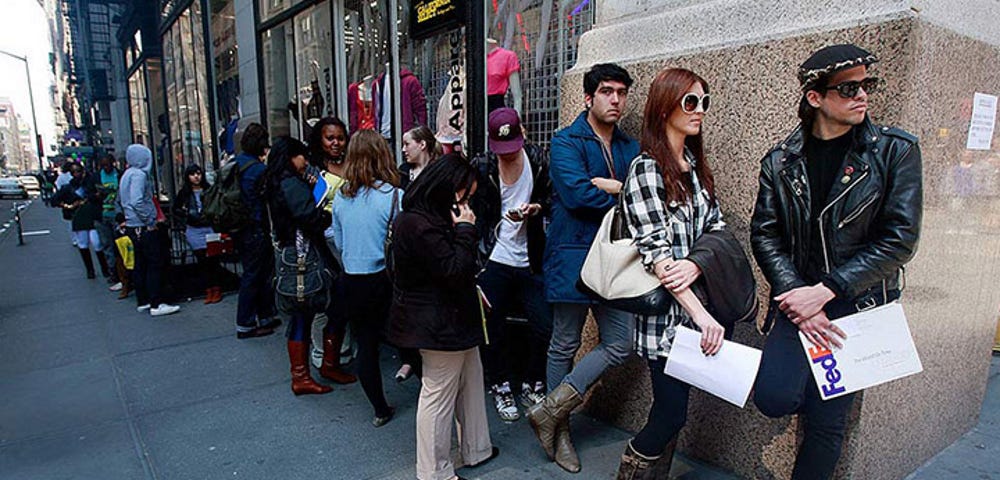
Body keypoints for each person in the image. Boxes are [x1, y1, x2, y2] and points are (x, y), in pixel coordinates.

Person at [750, 44, 922, 480]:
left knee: (828, 424)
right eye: (848, 88)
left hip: (855, 302)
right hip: (796, 300)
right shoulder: (780, 161)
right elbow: (765, 234)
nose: (863, 95)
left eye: (868, 85)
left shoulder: (895, 152)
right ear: (815, 98)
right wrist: (796, 298)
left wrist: (825, 293)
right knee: (774, 396)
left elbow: (899, 240)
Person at [613, 68, 727, 478]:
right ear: (665, 108)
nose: (699, 111)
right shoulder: (646, 169)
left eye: (704, 101)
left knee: (672, 411)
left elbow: (716, 228)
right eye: (690, 102)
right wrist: (701, 315)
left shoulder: (694, 166)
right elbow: (656, 253)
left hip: (696, 313)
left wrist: (696, 262)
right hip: (668, 318)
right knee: (670, 413)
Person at [526, 63, 640, 473]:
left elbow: (645, 195)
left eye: (621, 92)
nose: (615, 99)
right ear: (588, 97)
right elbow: (576, 195)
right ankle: (561, 433)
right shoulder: (565, 141)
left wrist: (614, 188)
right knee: (564, 344)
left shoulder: (630, 146)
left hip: (619, 261)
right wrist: (623, 192)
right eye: (607, 91)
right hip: (573, 257)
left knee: (621, 343)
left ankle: (550, 410)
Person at [387, 153, 497, 480]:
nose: (466, 203)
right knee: (438, 395)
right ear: (447, 188)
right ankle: (434, 472)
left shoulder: (424, 217)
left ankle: (476, 448)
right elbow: (452, 269)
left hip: (450, 316)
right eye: (464, 195)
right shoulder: (419, 223)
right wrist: (465, 229)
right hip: (436, 323)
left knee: (470, 377)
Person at [470, 108, 552, 422]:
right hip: (494, 256)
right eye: (501, 150)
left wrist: (536, 208)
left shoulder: (537, 159)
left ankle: (534, 380)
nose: (507, 155)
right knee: (493, 327)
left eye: (512, 147)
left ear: (523, 134)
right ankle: (500, 384)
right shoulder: (482, 165)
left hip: (530, 256)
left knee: (544, 324)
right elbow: (471, 207)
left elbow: (550, 197)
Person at [331, 129, 399, 426]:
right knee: (406, 338)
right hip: (384, 277)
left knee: (365, 345)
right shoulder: (394, 195)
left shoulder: (341, 199)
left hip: (352, 278)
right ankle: (432, 397)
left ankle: (380, 408)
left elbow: (340, 243)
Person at [262, 137, 335, 396]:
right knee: (303, 314)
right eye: (302, 156)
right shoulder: (291, 183)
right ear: (291, 157)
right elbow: (309, 217)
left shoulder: (277, 182)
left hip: (289, 253)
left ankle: (307, 372)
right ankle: (303, 376)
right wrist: (326, 214)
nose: (305, 162)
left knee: (300, 315)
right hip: (301, 255)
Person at [307, 116, 357, 385]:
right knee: (326, 297)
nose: (336, 143)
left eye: (340, 137)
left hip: (352, 238)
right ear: (320, 140)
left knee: (346, 294)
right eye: (330, 138)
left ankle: (343, 350)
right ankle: (321, 352)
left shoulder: (354, 164)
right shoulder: (312, 169)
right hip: (324, 241)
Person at [394, 124, 441, 382]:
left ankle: (426, 362)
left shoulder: (438, 171)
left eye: (407, 144)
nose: (403, 150)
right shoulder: (403, 174)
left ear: (422, 144)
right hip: (407, 245)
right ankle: (409, 359)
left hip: (429, 242)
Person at [119, 144, 181, 317]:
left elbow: (126, 201)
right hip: (143, 226)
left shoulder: (127, 174)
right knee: (154, 263)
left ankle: (144, 300)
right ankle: (156, 302)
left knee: (140, 264)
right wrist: (150, 220)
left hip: (133, 225)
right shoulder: (139, 175)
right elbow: (137, 200)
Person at [234, 123, 281, 339]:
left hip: (241, 227)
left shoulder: (237, 163)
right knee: (257, 274)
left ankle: (264, 316)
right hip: (256, 226)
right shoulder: (258, 170)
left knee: (255, 272)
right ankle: (246, 323)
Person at [173, 164, 223, 304]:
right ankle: (209, 290)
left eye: (198, 173)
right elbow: (176, 210)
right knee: (202, 262)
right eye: (193, 174)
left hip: (209, 228)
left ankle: (216, 289)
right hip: (194, 230)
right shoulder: (184, 193)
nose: (196, 177)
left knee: (213, 260)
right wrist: (185, 222)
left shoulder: (209, 190)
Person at [53, 163, 112, 280]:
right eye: (74, 172)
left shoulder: (90, 184)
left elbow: (99, 196)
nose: (77, 174)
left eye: (79, 171)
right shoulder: (68, 187)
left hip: (92, 216)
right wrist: (68, 206)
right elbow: (54, 200)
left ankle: (105, 269)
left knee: (97, 243)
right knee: (83, 244)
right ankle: (90, 270)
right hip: (79, 218)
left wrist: (97, 195)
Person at [94, 155, 123, 290]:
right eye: (103, 165)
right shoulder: (96, 177)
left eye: (108, 165)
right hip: (102, 215)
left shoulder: (120, 175)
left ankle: (123, 274)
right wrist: (97, 195)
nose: (106, 168)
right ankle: (114, 274)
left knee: (120, 245)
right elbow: (90, 194)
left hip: (116, 214)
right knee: (107, 245)